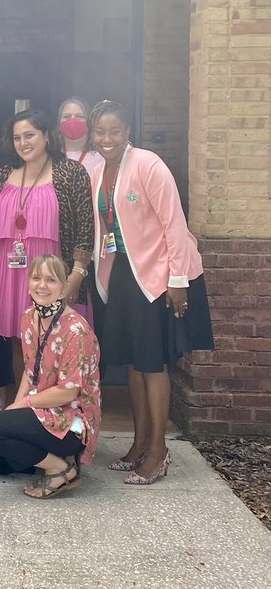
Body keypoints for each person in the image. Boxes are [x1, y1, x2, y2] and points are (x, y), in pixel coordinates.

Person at [90, 99, 214, 485]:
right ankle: (140, 442)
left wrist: (178, 281)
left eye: (114, 131)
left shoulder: (148, 164)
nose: (106, 139)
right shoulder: (95, 169)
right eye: (100, 132)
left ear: (127, 132)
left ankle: (159, 450)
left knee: (152, 362)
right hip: (121, 275)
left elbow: (174, 224)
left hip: (157, 276)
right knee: (131, 362)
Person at [0, 108, 94, 409]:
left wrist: (76, 274)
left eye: (29, 135)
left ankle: (54, 413)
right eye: (17, 137)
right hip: (11, 273)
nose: (23, 142)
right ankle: (25, 408)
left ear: (46, 135)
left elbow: (86, 228)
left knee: (56, 341)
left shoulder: (71, 173)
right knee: (22, 340)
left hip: (54, 275)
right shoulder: (5, 174)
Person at [0, 256, 102, 498]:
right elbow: (30, 369)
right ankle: (52, 458)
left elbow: (67, 392)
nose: (42, 285)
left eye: (50, 280)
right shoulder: (29, 317)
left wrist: (22, 405)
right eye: (36, 278)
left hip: (70, 418)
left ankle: (61, 469)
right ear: (28, 282)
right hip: (40, 410)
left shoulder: (76, 330)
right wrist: (14, 407)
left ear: (63, 286)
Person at [57, 97, 102, 177]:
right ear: (59, 123)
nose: (72, 121)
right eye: (67, 116)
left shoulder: (101, 156)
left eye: (79, 116)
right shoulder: (50, 156)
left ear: (89, 122)